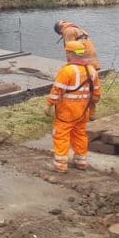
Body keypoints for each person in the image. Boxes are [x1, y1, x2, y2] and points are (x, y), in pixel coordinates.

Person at [45, 40, 102, 173]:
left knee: (61, 135)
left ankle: (60, 164)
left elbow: (57, 90)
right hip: (83, 111)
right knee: (80, 134)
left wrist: (49, 105)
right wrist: (92, 108)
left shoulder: (67, 71)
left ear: (70, 53)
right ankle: (81, 161)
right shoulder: (91, 70)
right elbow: (96, 94)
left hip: (67, 111)